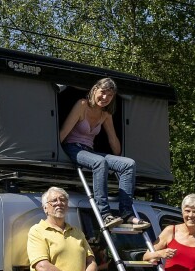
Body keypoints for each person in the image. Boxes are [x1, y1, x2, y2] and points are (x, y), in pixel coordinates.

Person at [60, 78, 149, 231]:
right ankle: (105, 214)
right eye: (103, 92)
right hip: (73, 147)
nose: (105, 98)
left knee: (129, 164)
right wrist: (54, 152)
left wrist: (120, 153)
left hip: (90, 151)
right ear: (95, 90)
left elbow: (114, 143)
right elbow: (64, 133)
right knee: (100, 162)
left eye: (110, 95)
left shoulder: (105, 115)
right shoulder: (82, 105)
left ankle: (126, 213)